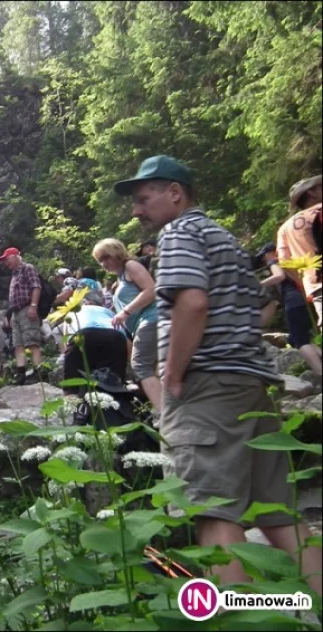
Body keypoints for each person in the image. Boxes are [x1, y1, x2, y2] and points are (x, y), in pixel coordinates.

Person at [115, 154, 321, 596]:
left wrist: (171, 374)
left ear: (175, 193)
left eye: (143, 198)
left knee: (213, 513)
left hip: (207, 386)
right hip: (250, 383)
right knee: (277, 513)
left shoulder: (180, 232)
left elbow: (192, 303)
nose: (136, 211)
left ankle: (240, 620)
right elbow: (256, 308)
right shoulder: (221, 236)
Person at [93, 238, 163, 412]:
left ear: (116, 252)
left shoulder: (131, 266)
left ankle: (164, 413)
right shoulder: (120, 278)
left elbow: (151, 290)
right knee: (156, 367)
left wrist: (125, 312)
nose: (104, 263)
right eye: (100, 260)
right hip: (142, 324)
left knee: (139, 364)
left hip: (151, 319)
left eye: (106, 257)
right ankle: (166, 407)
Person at [256, 243, 322, 376]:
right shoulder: (288, 261)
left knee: (300, 341)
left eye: (264, 256)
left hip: (292, 302)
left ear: (271, 252)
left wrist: (258, 285)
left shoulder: (274, 261)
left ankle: (320, 372)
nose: (264, 259)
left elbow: (279, 276)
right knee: (299, 338)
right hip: (302, 300)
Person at [277, 174, 322, 328]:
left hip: (316, 286)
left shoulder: (285, 228)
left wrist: (305, 282)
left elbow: (285, 263)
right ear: (311, 193)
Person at [58, 303, 129, 395]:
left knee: (72, 384)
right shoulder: (108, 311)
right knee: (114, 382)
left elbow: (66, 340)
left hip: (84, 334)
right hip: (115, 336)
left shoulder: (71, 312)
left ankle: (72, 401)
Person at [0, 247, 46, 384]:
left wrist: (33, 306)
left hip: (27, 308)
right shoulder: (14, 275)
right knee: (18, 343)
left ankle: (39, 371)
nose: (5, 263)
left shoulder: (27, 268)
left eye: (6, 259)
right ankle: (21, 373)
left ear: (15, 256)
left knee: (32, 341)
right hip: (17, 312)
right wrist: (13, 314)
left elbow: (36, 287)